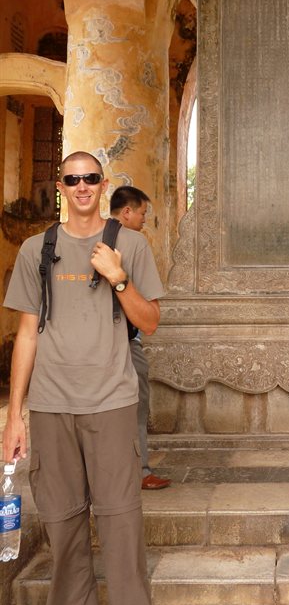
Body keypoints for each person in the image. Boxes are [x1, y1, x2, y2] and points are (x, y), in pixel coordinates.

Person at [2, 151, 163, 605]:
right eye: (72, 179)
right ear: (61, 185)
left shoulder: (130, 245)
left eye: (90, 178)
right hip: (52, 406)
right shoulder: (37, 248)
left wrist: (118, 279)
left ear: (103, 182)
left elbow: (149, 321)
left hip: (111, 402)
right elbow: (27, 334)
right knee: (63, 526)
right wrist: (16, 415)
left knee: (122, 525)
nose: (82, 186)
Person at [110, 185, 170, 490]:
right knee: (136, 406)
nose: (145, 220)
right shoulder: (134, 242)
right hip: (124, 337)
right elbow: (149, 316)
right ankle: (141, 471)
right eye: (143, 213)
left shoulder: (82, 239)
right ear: (127, 212)